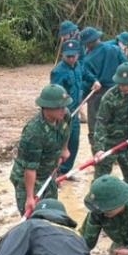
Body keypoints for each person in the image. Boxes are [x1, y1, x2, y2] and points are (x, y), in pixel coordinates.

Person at [11, 84, 72, 215]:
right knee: (33, 217)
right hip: (28, 179)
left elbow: (66, 130)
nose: (63, 110)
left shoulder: (65, 115)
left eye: (64, 106)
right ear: (46, 107)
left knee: (52, 212)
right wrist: (29, 197)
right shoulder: (34, 132)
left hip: (49, 173)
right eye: (59, 107)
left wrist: (64, 149)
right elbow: (30, 169)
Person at [78, 27, 122, 149]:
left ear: (88, 43)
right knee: (115, 126)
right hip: (117, 92)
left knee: (95, 129)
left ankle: (98, 154)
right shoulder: (115, 49)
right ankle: (115, 153)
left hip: (97, 95)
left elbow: (86, 82)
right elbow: (127, 67)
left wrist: (80, 99)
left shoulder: (87, 60)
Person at [49, 40, 85, 175]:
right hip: (62, 114)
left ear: (78, 55)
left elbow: (86, 77)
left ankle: (65, 172)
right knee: (59, 144)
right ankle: (55, 172)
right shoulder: (58, 72)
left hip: (75, 114)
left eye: (73, 56)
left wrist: (94, 81)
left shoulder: (78, 66)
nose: (71, 59)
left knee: (74, 142)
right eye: (68, 56)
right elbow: (55, 94)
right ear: (63, 55)